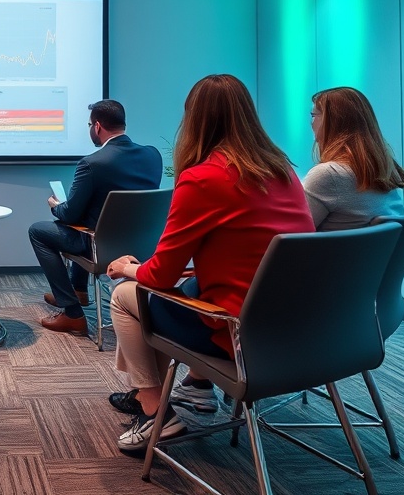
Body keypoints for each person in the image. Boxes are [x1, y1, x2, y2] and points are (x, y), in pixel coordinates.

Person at [104, 74, 314, 454]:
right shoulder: (284, 171)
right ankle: (197, 388)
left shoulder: (203, 178)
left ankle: (155, 411)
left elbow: (159, 275)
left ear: (194, 120)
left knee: (125, 295)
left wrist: (125, 266)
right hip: (301, 326)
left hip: (242, 334)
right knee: (182, 289)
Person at [29, 99, 162, 334]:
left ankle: (72, 313)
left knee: (39, 231)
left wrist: (55, 205)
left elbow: (69, 215)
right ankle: (78, 290)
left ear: (98, 126)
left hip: (100, 247)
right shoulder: (153, 156)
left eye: (90, 124)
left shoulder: (92, 163)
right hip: (141, 245)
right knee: (88, 221)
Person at [305, 87, 404, 230]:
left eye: (313, 115)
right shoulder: (388, 170)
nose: (311, 123)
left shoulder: (328, 175)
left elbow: (292, 235)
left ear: (332, 122)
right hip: (373, 252)